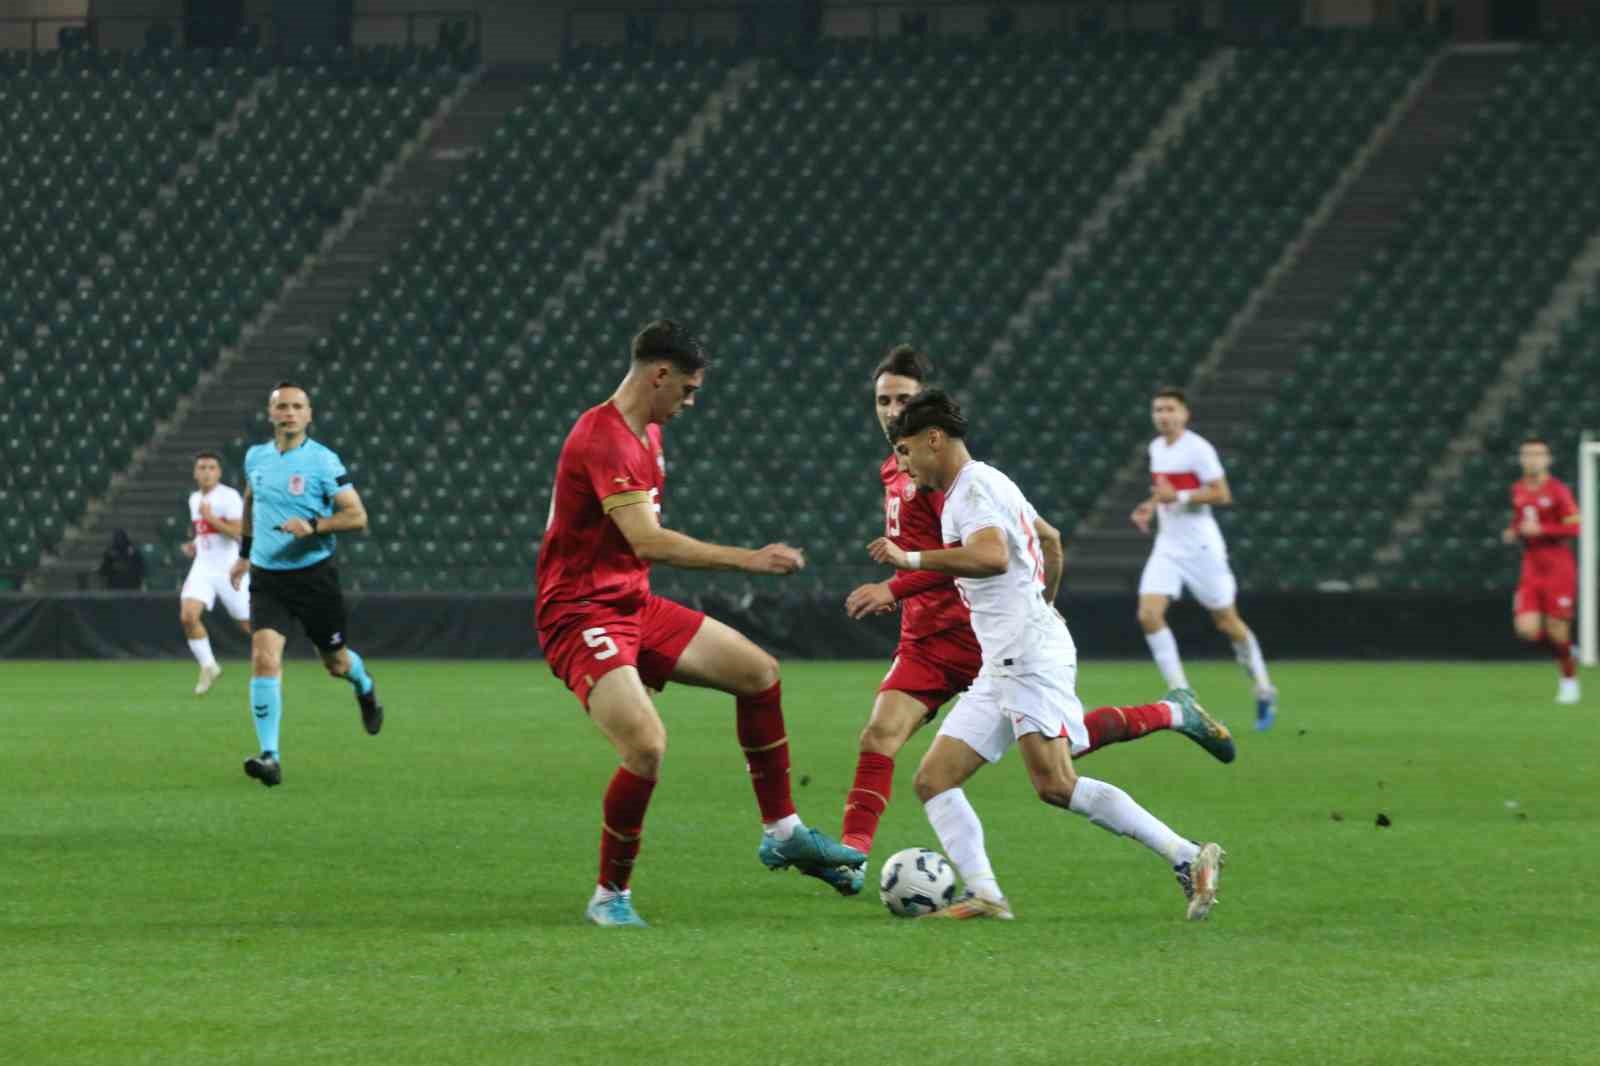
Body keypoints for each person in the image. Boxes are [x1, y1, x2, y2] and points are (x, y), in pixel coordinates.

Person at [837, 347, 1235, 894]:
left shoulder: (969, 491)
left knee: (1055, 781)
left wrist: (909, 562)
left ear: (933, 438)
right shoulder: (982, 483)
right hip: (1003, 657)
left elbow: (991, 556)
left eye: (908, 451)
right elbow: (1049, 539)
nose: (903, 465)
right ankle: (987, 898)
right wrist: (1041, 603)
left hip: (1021, 652)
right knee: (934, 779)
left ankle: (1187, 856)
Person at [536, 319, 865, 929]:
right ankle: (610, 895)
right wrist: (750, 560)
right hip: (580, 612)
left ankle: (784, 830)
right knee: (647, 746)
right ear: (659, 375)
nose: (689, 402)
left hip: (631, 604)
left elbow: (629, 549)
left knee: (758, 672)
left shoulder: (649, 434)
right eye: (687, 389)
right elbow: (646, 539)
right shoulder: (602, 437)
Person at [228, 382, 381, 788]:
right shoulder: (256, 457)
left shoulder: (324, 462)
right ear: (271, 414)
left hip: (313, 578)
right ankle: (270, 756)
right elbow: (249, 501)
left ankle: (364, 687)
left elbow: (357, 516)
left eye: (298, 407)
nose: (290, 413)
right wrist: (244, 553)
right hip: (267, 578)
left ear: (309, 415)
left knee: (336, 663)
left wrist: (313, 525)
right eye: (283, 407)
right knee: (264, 658)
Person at [1131, 387, 1277, 730]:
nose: (1163, 415)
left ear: (1184, 414)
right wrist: (1150, 506)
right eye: (1158, 409)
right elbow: (1163, 491)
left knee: (1227, 622)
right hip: (1168, 546)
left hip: (1201, 548)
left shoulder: (1198, 449)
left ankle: (1264, 688)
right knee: (1148, 615)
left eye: (1169, 409)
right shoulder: (1156, 449)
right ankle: (1181, 691)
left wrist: (1177, 495)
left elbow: (1222, 493)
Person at [1502, 436, 1581, 703]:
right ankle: (1567, 650)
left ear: (1548, 459)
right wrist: (1513, 531)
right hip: (1531, 565)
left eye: (1538, 454)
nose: (1532, 459)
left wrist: (1544, 529)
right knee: (1526, 630)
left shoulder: (1559, 491)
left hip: (1558, 563)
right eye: (1527, 454)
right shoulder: (1517, 489)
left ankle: (1569, 682)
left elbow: (1575, 527)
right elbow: (1519, 519)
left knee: (1558, 628)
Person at [180, 451, 251, 695]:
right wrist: (195, 544)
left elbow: (239, 533)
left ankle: (271, 662)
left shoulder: (229, 497)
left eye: (211, 467)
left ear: (219, 472)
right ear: (195, 472)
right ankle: (209, 665)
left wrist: (211, 519)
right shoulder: (193, 499)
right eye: (202, 467)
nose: (207, 472)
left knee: (249, 625)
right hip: (203, 567)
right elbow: (203, 532)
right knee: (188, 616)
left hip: (229, 569)